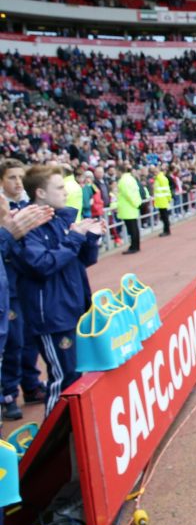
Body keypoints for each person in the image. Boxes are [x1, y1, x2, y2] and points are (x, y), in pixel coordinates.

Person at [18, 165, 101, 416]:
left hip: (72, 308)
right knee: (63, 379)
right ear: (41, 193)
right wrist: (75, 237)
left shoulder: (59, 220)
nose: (66, 192)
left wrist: (90, 239)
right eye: (60, 187)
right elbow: (42, 265)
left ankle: (76, 434)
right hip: (52, 317)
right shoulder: (27, 226)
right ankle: (52, 444)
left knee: (77, 376)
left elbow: (79, 262)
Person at [0, 161, 50, 420]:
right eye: (11, 177)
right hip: (8, 287)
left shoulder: (28, 208)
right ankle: (8, 393)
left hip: (27, 283)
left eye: (21, 177)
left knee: (29, 338)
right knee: (11, 341)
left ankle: (30, 384)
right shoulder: (5, 214)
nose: (18, 182)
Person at [116, 163, 142, 254]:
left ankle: (134, 246)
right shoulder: (131, 178)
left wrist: (134, 203)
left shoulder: (123, 180)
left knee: (132, 229)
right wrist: (137, 203)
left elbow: (128, 194)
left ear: (119, 171)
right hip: (132, 207)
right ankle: (135, 245)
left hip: (127, 207)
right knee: (134, 228)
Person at [152, 165, 172, 237]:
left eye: (156, 171)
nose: (154, 173)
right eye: (154, 171)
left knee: (165, 216)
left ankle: (167, 230)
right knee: (163, 217)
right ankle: (166, 230)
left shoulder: (161, 179)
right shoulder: (158, 179)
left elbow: (166, 190)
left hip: (163, 200)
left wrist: (168, 199)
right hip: (160, 201)